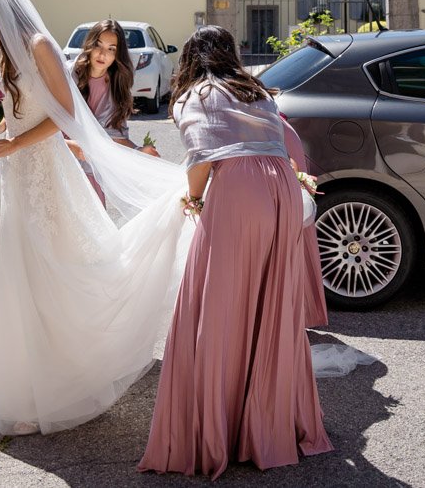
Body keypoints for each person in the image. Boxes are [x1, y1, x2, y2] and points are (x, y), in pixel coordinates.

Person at [0, 0, 194, 435]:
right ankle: (15, 385)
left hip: (45, 172)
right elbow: (17, 115)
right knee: (11, 275)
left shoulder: (40, 45)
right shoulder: (4, 53)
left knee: (49, 270)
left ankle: (54, 385)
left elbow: (66, 117)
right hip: (16, 177)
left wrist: (13, 145)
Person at [138, 25, 333, 479]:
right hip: (281, 189)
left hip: (241, 189)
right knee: (271, 305)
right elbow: (280, 146)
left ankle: (217, 429)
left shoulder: (198, 94)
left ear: (189, 58)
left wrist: (195, 198)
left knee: (218, 303)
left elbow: (201, 159)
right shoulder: (256, 91)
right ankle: (266, 423)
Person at [67, 19, 159, 203]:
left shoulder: (117, 85)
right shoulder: (69, 75)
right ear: (89, 46)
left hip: (92, 167)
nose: (103, 54)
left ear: (118, 54)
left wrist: (138, 150)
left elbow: (113, 134)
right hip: (63, 163)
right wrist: (70, 144)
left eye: (111, 49)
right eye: (98, 45)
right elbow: (48, 118)